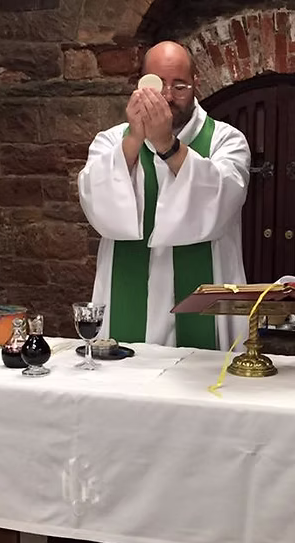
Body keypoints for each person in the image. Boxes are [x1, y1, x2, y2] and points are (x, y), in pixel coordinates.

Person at [78, 40, 251, 350]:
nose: (168, 97)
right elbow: (96, 203)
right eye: (158, 86)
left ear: (197, 84)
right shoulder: (110, 141)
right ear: (140, 86)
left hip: (204, 300)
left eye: (180, 86)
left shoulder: (226, 140)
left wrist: (168, 145)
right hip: (128, 293)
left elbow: (222, 200)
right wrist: (135, 138)